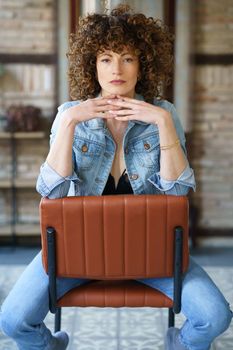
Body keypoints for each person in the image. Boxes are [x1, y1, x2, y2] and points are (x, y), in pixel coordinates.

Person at [0, 4, 232, 350]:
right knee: (13, 321)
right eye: (106, 58)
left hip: (151, 251)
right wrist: (67, 124)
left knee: (215, 316)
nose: (116, 70)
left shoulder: (164, 114)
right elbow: (52, 191)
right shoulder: (69, 115)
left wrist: (163, 123)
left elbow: (178, 192)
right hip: (76, 252)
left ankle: (177, 344)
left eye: (127, 58)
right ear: (92, 66)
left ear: (143, 65)